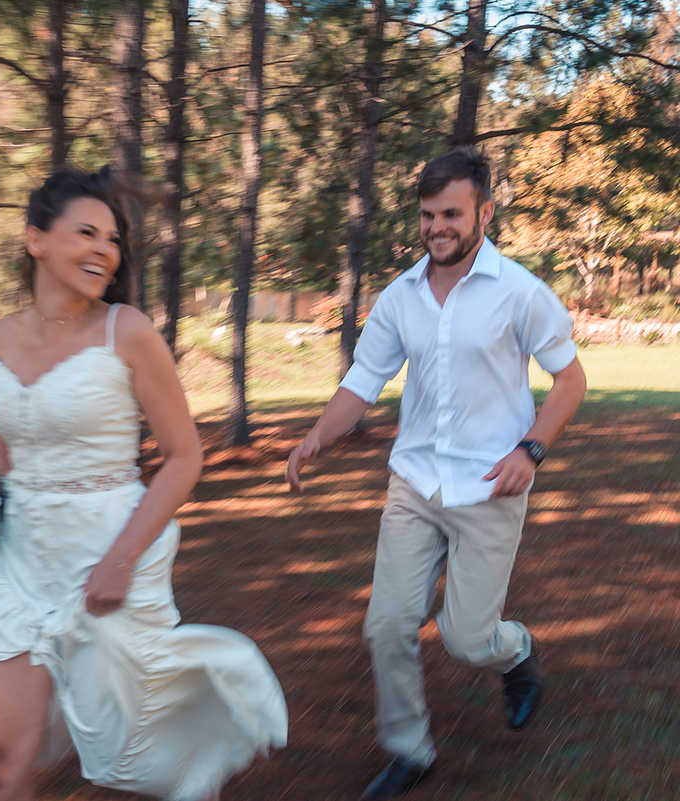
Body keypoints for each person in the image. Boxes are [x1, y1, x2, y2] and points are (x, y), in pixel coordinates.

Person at [0, 166, 288, 801]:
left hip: (110, 554)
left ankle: (196, 765)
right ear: (36, 240)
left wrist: (118, 561)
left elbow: (184, 457)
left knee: (137, 752)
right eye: (86, 233)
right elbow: (1, 456)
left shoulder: (128, 332)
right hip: (14, 568)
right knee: (1, 762)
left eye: (112, 240)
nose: (105, 251)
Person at [286, 148, 586, 801]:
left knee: (467, 638)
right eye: (428, 215)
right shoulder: (401, 297)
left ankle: (516, 652)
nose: (437, 227)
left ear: (484, 210)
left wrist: (529, 449)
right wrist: (316, 435)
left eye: (451, 213)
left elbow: (570, 380)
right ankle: (408, 748)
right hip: (415, 482)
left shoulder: (521, 292)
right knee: (386, 625)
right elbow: (363, 382)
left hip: (491, 485)